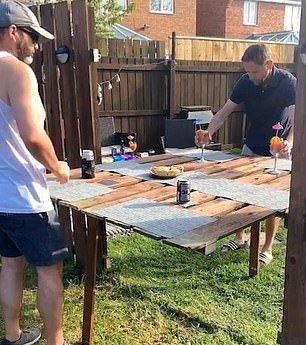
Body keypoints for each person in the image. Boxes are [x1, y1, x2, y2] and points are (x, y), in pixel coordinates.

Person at [0, 1, 70, 345]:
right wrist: (58, 167)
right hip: (26, 198)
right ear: (14, 32)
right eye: (32, 36)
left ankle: (12, 336)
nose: (37, 45)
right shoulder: (16, 70)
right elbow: (32, 134)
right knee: (48, 269)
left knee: (11, 264)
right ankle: (53, 341)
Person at [197, 44, 295, 265]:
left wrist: (289, 143)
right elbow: (223, 112)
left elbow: (299, 118)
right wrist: (208, 132)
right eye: (247, 71)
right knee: (241, 193)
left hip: (278, 149)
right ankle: (240, 237)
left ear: (268, 65)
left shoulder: (288, 82)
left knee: (272, 200)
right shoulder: (245, 82)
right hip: (251, 145)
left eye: (254, 72)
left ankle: (267, 248)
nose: (250, 76)